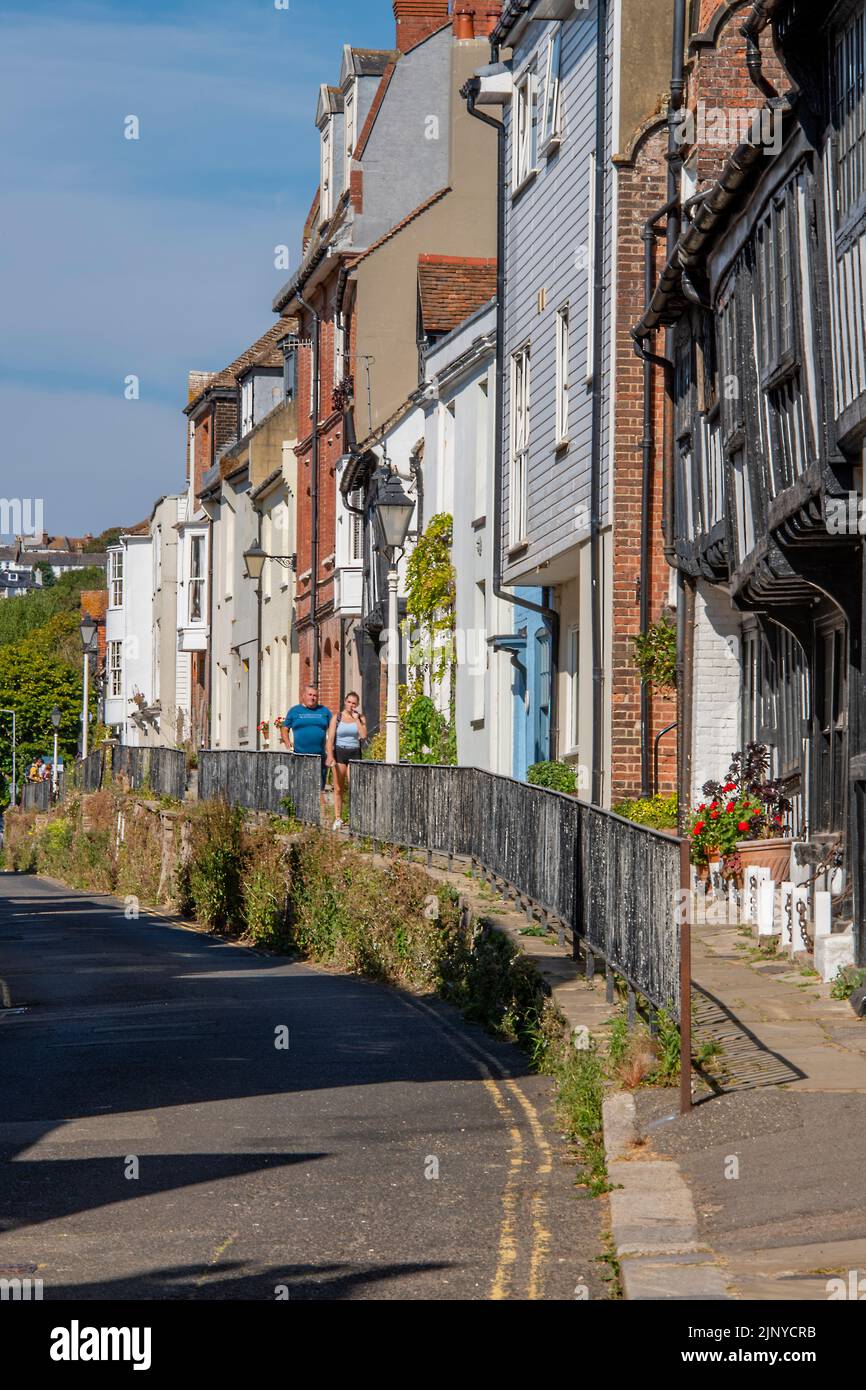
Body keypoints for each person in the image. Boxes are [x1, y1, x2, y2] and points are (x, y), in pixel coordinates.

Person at [280, 684, 333, 815]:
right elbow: (285, 728)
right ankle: (300, 810)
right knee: (301, 783)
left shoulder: (324, 711)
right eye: (310, 695)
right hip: (300, 754)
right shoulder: (294, 711)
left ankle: (320, 814)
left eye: (315, 695)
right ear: (303, 696)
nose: (313, 697)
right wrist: (287, 743)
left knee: (319, 785)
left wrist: (331, 749)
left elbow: (333, 730)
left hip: (320, 755)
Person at [326, 692, 366, 831]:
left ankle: (355, 816)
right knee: (338, 787)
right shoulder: (336, 718)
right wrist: (330, 756)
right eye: (349, 702)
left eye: (354, 703)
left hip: (354, 752)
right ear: (345, 702)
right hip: (340, 752)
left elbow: (363, 735)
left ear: (357, 705)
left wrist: (357, 720)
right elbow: (330, 739)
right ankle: (338, 817)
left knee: (354, 786)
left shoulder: (360, 718)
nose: (351, 705)